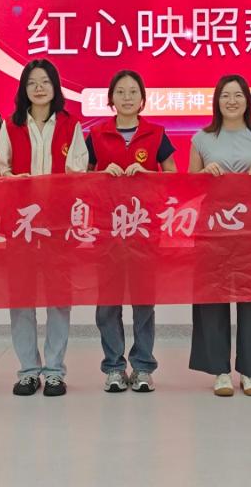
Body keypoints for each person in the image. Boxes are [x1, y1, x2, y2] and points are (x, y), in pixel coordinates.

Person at [0, 59, 88, 397]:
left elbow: (78, 171)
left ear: (55, 87)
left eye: (45, 82)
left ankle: (54, 370)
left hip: (58, 225)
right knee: (21, 298)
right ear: (24, 88)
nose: (38, 88)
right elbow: (0, 168)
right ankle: (28, 370)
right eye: (32, 82)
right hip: (21, 225)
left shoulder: (70, 125)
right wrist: (11, 179)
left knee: (58, 299)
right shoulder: (11, 125)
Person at [86, 70, 177, 393]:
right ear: (111, 99)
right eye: (121, 92)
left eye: (133, 92)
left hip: (144, 229)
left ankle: (142, 368)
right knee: (107, 304)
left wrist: (150, 175)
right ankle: (113, 367)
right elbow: (80, 178)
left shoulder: (156, 134)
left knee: (143, 303)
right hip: (107, 229)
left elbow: (173, 174)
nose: (127, 97)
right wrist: (100, 175)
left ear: (142, 99)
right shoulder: (96, 135)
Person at [188, 74, 251, 397]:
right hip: (213, 227)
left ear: (247, 100)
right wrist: (202, 174)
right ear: (217, 101)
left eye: (238, 95)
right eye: (225, 95)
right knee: (212, 296)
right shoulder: (202, 138)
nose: (232, 101)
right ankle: (220, 371)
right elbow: (189, 185)